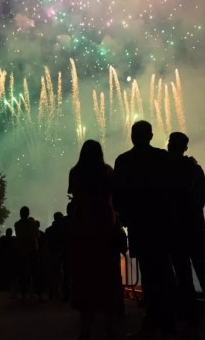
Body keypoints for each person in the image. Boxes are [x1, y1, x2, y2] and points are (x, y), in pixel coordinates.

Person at [113, 121, 177, 338]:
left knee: (149, 274)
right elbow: (172, 189)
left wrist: (126, 216)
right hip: (161, 225)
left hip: (139, 226)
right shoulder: (162, 158)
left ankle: (152, 320)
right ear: (150, 135)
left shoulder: (123, 161)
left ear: (132, 136)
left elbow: (118, 197)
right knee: (165, 272)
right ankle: (168, 321)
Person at [68, 139, 121, 340]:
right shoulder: (107, 172)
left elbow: (75, 199)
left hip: (82, 226)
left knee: (84, 275)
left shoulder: (75, 172)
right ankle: (110, 325)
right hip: (105, 224)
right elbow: (114, 197)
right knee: (107, 275)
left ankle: (85, 326)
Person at [167, 132, 205, 329]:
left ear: (170, 145)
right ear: (185, 148)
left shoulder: (165, 170)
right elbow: (202, 201)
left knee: (183, 278)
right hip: (195, 229)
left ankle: (192, 322)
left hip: (175, 231)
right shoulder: (195, 169)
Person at [14, 206, 39, 302]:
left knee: (23, 273)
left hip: (22, 251)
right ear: (28, 213)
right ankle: (35, 293)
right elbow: (37, 235)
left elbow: (18, 237)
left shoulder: (17, 224)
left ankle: (24, 293)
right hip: (32, 250)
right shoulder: (33, 224)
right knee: (34, 272)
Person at [45, 212, 65, 300]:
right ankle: (57, 291)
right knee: (59, 274)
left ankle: (51, 291)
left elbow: (46, 243)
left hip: (50, 253)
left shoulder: (49, 230)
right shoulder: (62, 230)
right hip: (59, 253)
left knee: (51, 273)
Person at [0, 228, 16, 292]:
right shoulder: (13, 240)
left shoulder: (2, 239)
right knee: (9, 272)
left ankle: (3, 285)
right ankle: (7, 286)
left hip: (3, 257)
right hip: (10, 258)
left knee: (3, 272)